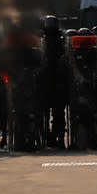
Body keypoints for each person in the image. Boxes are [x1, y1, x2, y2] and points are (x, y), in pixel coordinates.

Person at [42, 16, 68, 149]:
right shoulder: (60, 42)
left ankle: (51, 137)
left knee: (48, 113)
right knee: (57, 113)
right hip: (56, 84)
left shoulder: (46, 42)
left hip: (50, 83)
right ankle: (58, 138)